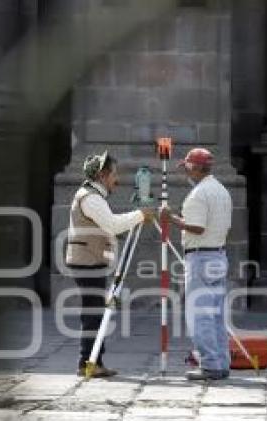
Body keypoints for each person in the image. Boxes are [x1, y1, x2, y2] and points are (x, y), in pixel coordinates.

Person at [66, 151, 155, 377]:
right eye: (114, 174)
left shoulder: (93, 196)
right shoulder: (91, 198)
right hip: (87, 262)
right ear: (103, 175)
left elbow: (108, 227)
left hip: (89, 260)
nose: (118, 179)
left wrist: (134, 218)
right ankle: (88, 361)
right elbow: (113, 225)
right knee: (93, 313)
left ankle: (93, 360)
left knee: (94, 312)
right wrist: (139, 215)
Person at [161, 148, 232, 380]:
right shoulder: (221, 190)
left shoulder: (199, 194)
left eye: (188, 166)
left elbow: (197, 227)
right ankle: (221, 362)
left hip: (201, 258)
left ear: (195, 167)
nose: (186, 171)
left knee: (200, 314)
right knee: (217, 315)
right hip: (219, 256)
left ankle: (210, 364)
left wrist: (170, 218)